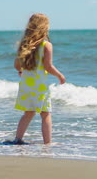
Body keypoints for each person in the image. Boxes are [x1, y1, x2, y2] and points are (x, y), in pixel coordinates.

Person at [10, 13, 65, 144]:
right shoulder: (46, 45)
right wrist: (60, 75)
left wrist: (21, 71)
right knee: (45, 113)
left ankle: (18, 139)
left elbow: (17, 65)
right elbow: (48, 66)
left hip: (25, 84)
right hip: (39, 85)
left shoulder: (24, 44)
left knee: (28, 113)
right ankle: (47, 143)